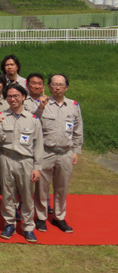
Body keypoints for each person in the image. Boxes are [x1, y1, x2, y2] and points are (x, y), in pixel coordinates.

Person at [0, 84, 43, 243]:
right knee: (7, 193)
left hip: (25, 161)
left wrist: (37, 167)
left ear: (23, 97)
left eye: (16, 96)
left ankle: (28, 226)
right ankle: (9, 223)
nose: (13, 99)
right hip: (6, 158)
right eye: (9, 96)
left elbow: (38, 145)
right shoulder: (1, 116)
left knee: (27, 195)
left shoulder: (33, 120)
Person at [34, 74, 83, 234]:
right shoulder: (43, 104)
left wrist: (76, 150)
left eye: (61, 84)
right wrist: (40, 108)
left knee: (62, 187)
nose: (57, 87)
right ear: (49, 87)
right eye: (54, 84)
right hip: (46, 152)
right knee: (42, 187)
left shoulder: (74, 105)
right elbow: (33, 123)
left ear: (66, 87)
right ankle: (41, 217)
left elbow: (78, 130)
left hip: (65, 153)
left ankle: (59, 217)